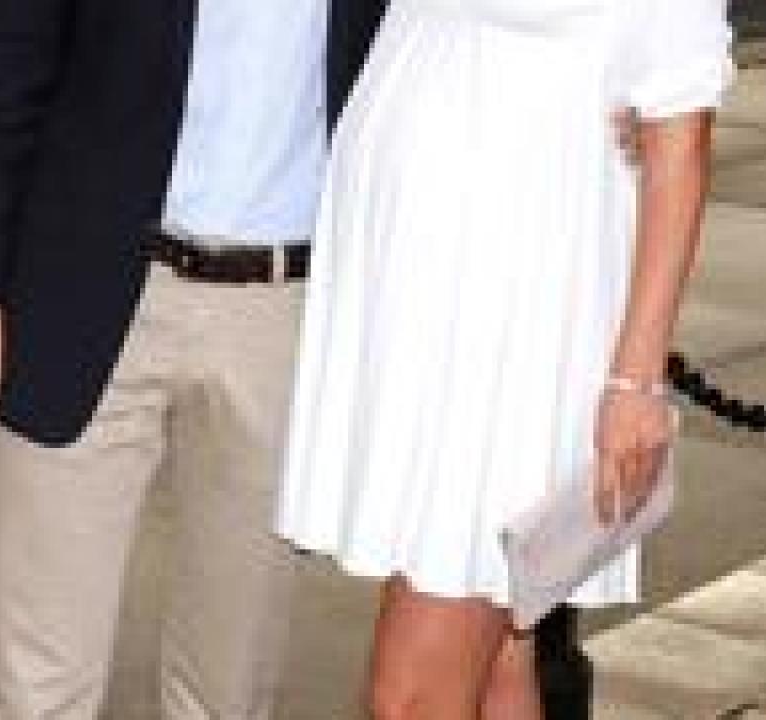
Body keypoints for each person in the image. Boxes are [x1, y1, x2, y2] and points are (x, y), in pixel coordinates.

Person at [0, 1, 386, 717]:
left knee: (230, 681)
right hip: (81, 291)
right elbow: (0, 73)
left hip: (284, 311)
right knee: (36, 674)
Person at [276, 0, 733, 718]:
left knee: (411, 697)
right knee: (499, 668)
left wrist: (635, 382)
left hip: (511, 336)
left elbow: (681, 147)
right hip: (420, 320)